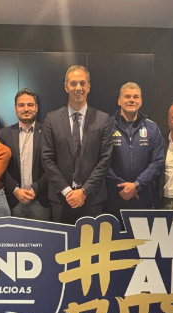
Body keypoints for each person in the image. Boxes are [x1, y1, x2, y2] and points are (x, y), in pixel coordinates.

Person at [41, 65, 113, 224]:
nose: (78, 88)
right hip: (61, 199)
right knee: (61, 241)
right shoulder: (52, 119)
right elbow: (47, 158)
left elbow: (105, 159)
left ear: (89, 87)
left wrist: (84, 191)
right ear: (66, 87)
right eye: (73, 83)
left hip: (92, 198)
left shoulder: (102, 119)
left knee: (91, 241)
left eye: (82, 83)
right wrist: (67, 191)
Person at [106, 82, 164, 225]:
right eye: (127, 96)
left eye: (136, 97)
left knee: (141, 238)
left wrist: (137, 185)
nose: (132, 100)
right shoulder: (107, 126)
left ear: (141, 101)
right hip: (114, 196)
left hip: (143, 196)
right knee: (115, 238)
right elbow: (101, 161)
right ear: (119, 101)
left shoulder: (152, 127)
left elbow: (157, 161)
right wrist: (121, 186)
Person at [0, 89, 51, 220]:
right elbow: (0, 169)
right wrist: (16, 190)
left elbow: (53, 165)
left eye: (30, 105)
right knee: (14, 234)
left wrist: (36, 189)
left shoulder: (48, 132)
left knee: (41, 234)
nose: (26, 109)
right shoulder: (4, 134)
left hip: (40, 201)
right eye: (21, 105)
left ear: (36, 108)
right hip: (13, 200)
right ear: (15, 108)